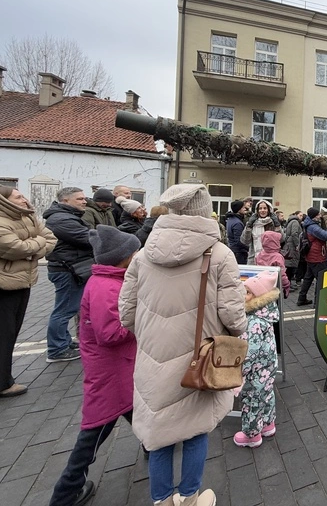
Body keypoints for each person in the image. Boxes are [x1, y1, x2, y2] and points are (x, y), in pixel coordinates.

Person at [119, 183, 247, 506]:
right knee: (194, 430)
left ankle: (161, 500)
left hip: (152, 359)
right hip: (198, 358)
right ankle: (190, 497)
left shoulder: (142, 254)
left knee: (159, 434)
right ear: (205, 212)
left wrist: (153, 336)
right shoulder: (220, 255)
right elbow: (233, 316)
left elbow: (126, 314)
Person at [49, 225, 140, 506]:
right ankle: (66, 493)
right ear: (122, 257)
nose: (138, 255)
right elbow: (111, 333)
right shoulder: (107, 287)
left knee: (136, 411)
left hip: (118, 370)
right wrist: (142, 320)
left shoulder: (109, 280)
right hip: (111, 373)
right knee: (95, 432)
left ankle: (156, 444)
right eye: (134, 251)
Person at [0, 185, 56, 398]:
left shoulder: (24, 217)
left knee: (3, 333)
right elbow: (15, 249)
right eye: (18, 197)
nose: (24, 200)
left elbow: (51, 239)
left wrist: (31, 247)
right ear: (3, 201)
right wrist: (35, 246)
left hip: (19, 282)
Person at [44, 187, 93, 363]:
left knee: (67, 307)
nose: (84, 201)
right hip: (67, 269)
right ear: (65, 201)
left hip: (70, 268)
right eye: (79, 199)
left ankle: (63, 341)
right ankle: (57, 349)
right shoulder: (61, 219)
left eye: (84, 198)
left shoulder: (66, 216)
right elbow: (87, 238)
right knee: (64, 310)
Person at [234, 271, 280, 448]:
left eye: (247, 292)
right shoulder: (266, 316)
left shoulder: (253, 322)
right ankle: (268, 424)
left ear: (258, 297)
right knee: (267, 395)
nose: (243, 296)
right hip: (267, 367)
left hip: (255, 372)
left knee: (251, 401)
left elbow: (249, 352)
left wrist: (239, 372)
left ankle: (251, 435)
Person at [296, 207, 327, 306]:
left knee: (308, 278)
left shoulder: (308, 224)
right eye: (318, 215)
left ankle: (301, 298)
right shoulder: (314, 227)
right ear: (313, 216)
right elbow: (326, 236)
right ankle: (318, 303)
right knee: (322, 279)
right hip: (318, 257)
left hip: (311, 256)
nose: (320, 216)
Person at [243, 199, 282, 265]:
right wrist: (249, 227)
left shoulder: (273, 223)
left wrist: (277, 226)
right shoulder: (252, 223)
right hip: (254, 260)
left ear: (269, 210)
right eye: (260, 208)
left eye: (265, 208)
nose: (262, 210)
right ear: (257, 210)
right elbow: (245, 241)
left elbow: (281, 239)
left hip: (270, 260)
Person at [255, 230, 291, 297]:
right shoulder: (277, 257)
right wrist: (286, 285)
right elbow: (282, 274)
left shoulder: (260, 254)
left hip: (262, 285)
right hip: (274, 286)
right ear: (275, 242)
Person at [282, 211, 303, 287]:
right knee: (290, 266)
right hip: (292, 247)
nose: (302, 217)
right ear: (296, 215)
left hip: (290, 245)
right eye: (300, 215)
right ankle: (288, 284)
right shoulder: (295, 222)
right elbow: (294, 233)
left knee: (289, 265)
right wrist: (297, 244)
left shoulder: (291, 221)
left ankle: (288, 283)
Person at [226, 200, 249, 265]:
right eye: (243, 207)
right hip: (238, 253)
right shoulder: (237, 223)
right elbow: (239, 241)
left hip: (233, 250)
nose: (245, 209)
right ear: (238, 209)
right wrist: (249, 248)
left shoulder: (230, 219)